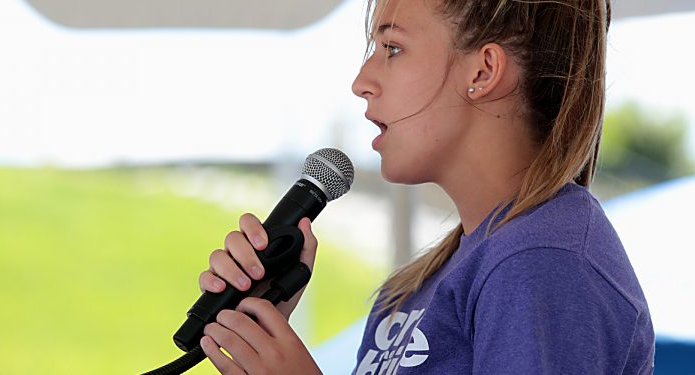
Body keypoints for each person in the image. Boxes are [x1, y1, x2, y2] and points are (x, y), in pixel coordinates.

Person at [196, 0, 655, 373]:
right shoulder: (422, 285)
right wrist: (261, 316)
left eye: (392, 48)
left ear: (483, 71)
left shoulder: (542, 263)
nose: (361, 82)